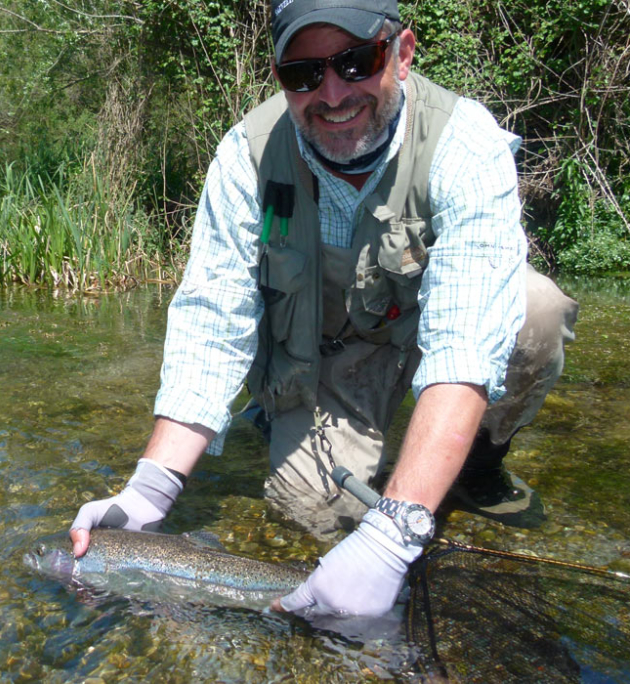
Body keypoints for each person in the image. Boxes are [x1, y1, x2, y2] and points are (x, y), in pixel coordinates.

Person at [70, 0, 578, 618]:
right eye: (303, 74)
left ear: (402, 52)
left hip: (427, 337)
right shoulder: (246, 159)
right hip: (329, 361)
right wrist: (149, 490)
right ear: (280, 75)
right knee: (317, 513)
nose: (332, 93)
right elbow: (211, 326)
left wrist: (395, 536)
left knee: (534, 313)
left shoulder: (465, 143)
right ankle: (299, 427)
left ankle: (477, 462)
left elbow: (463, 345)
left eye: (355, 61)